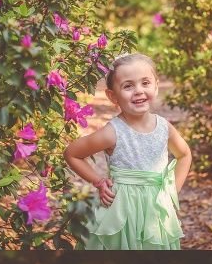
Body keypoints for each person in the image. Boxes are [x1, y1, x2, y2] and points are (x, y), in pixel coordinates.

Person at [64, 54, 191, 250]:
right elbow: (72, 153)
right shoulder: (112, 133)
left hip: (156, 211)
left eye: (145, 83)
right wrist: (98, 181)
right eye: (128, 86)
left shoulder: (164, 128)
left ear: (156, 86)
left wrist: (171, 192)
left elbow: (184, 155)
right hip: (121, 211)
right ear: (113, 96)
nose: (138, 91)